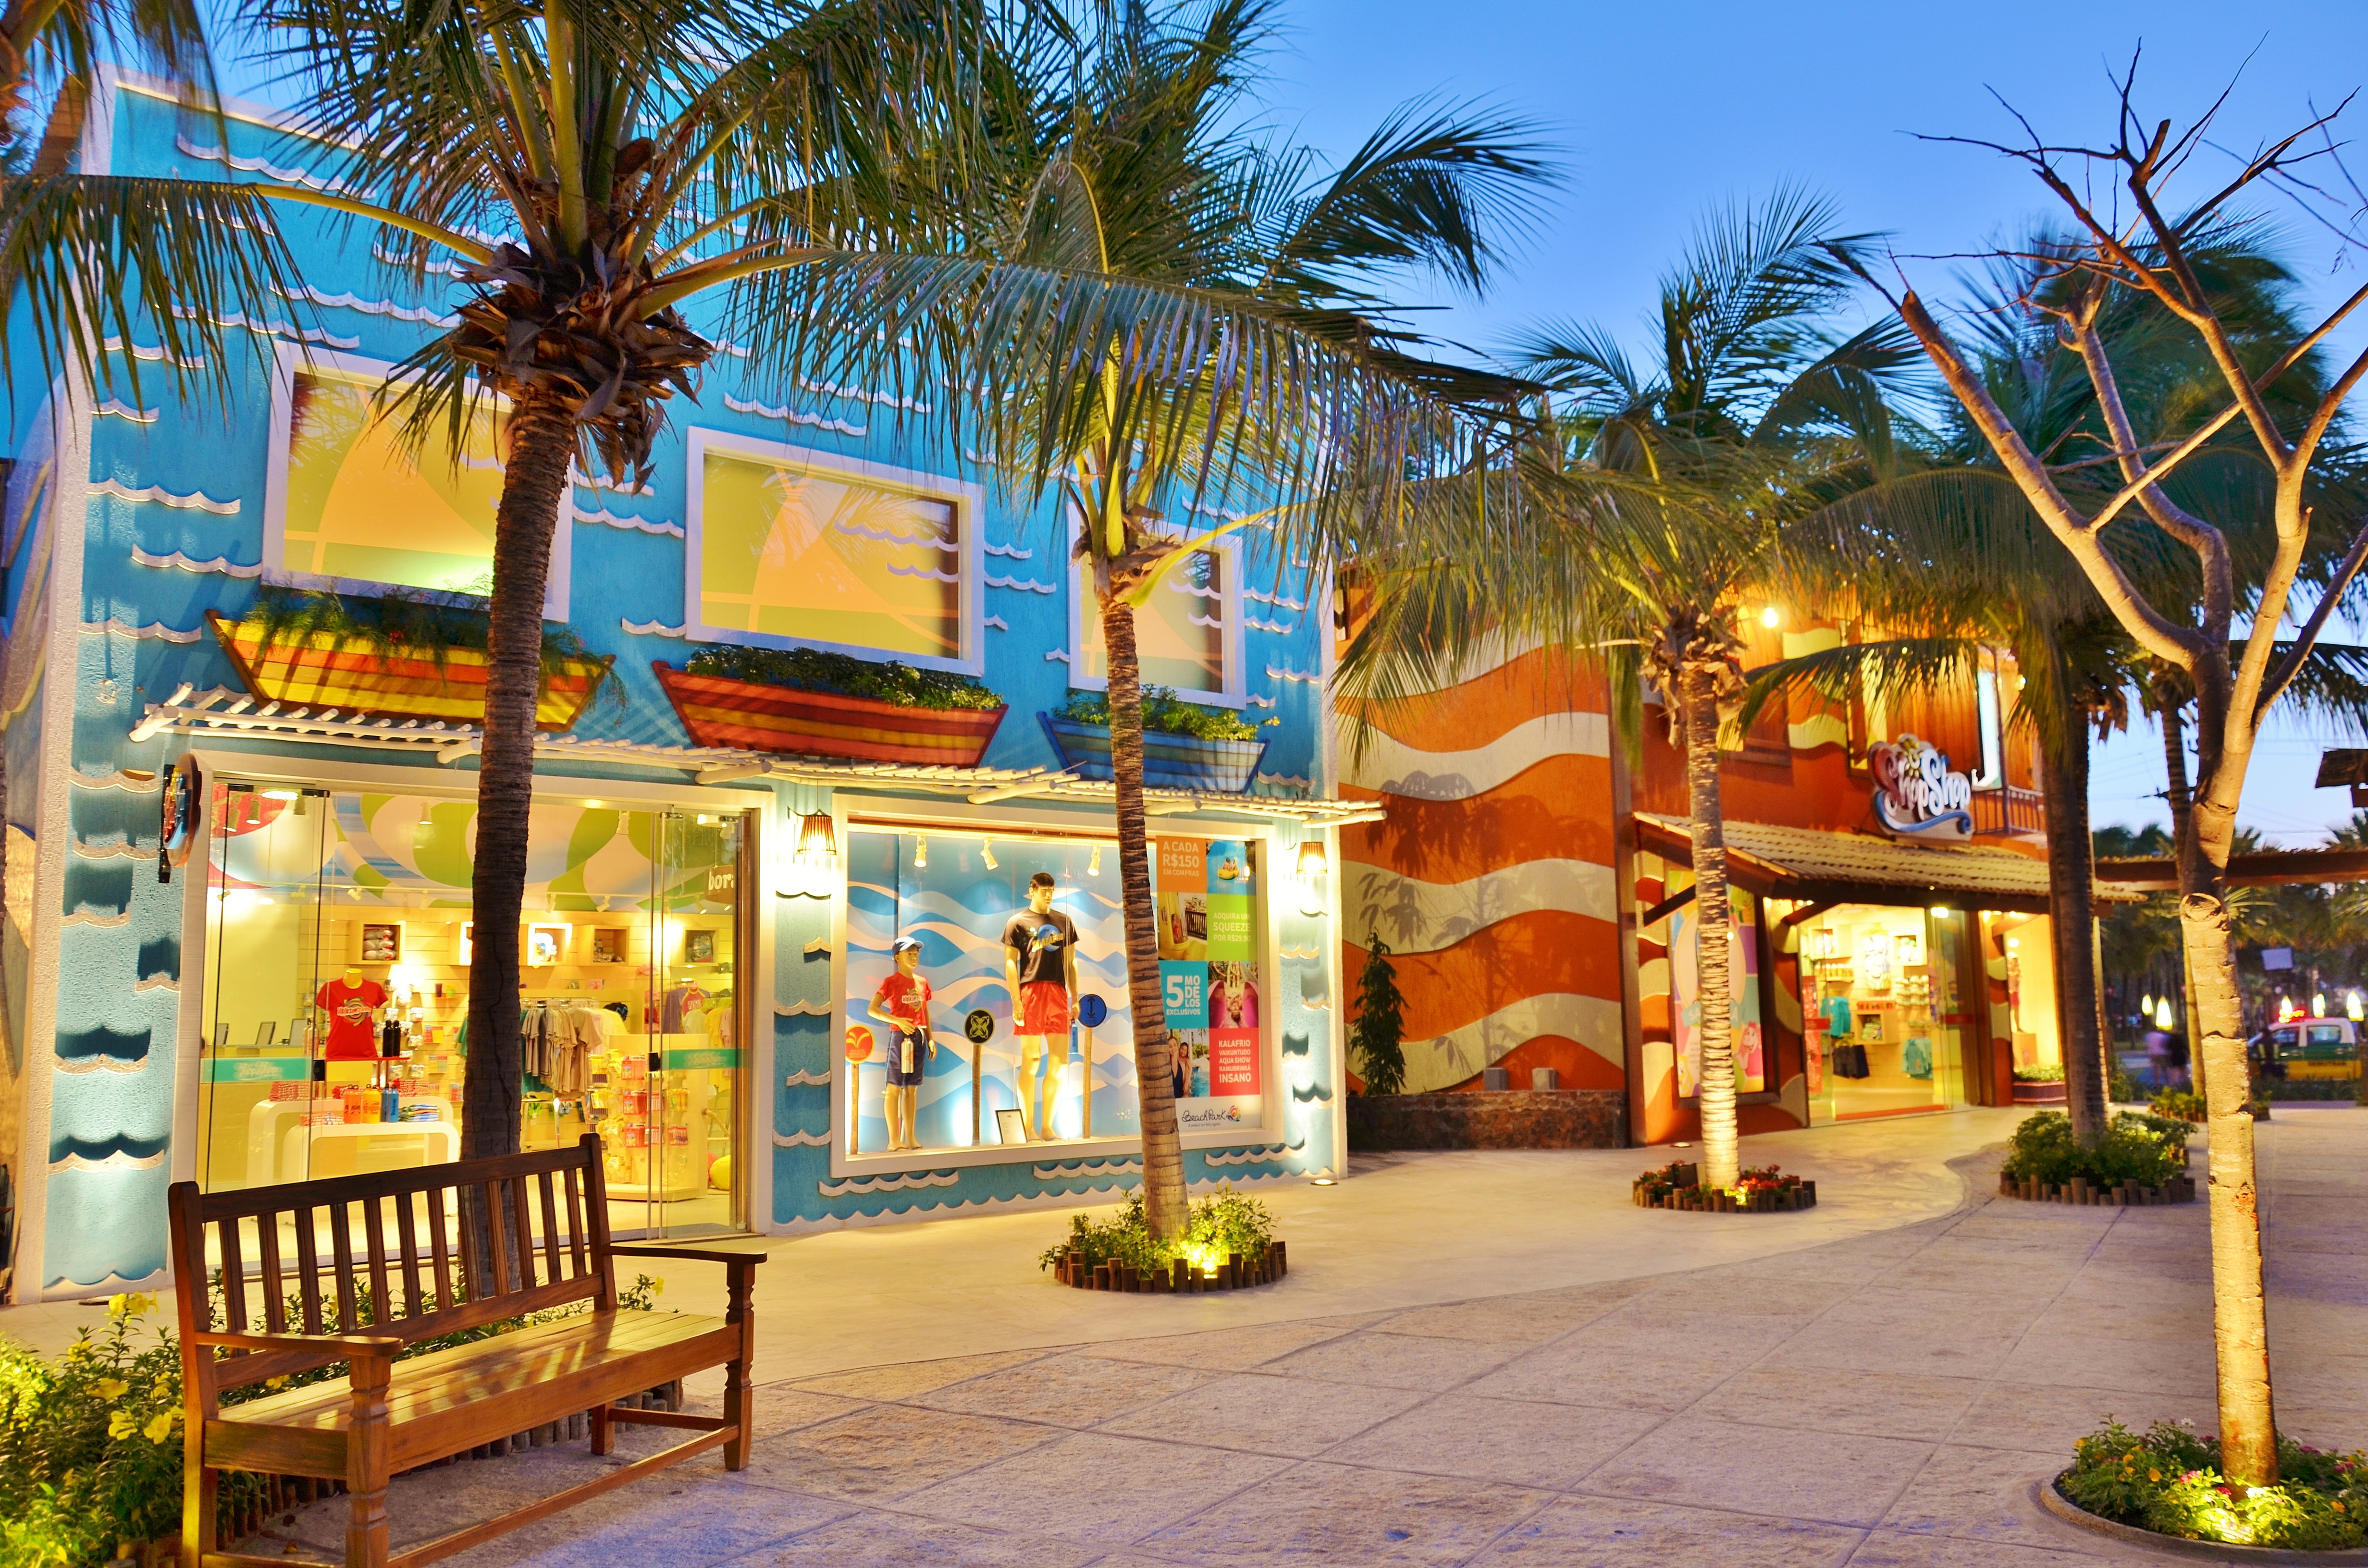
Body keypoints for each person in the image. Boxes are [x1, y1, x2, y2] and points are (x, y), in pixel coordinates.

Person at [1003, 871, 1079, 1141]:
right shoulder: (1018, 922)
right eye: (1043, 889)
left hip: (1058, 993)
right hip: (1031, 992)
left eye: (1051, 889)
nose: (1048, 894)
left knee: (1060, 1063)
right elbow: (1011, 962)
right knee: (1032, 1061)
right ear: (1032, 890)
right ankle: (1028, 1128)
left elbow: (1071, 962)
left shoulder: (1064, 921)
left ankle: (1047, 1127)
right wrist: (1016, 1000)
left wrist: (1076, 997)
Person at [867, 936, 936, 1152]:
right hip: (900, 1038)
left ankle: (910, 1137)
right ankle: (894, 1140)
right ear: (898, 957)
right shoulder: (891, 982)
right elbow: (873, 1009)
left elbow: (924, 1011)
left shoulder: (922, 982)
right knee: (894, 1088)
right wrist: (897, 1020)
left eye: (916, 953)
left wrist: (931, 1038)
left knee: (912, 1089)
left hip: (920, 1037)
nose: (914, 957)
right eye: (909, 953)